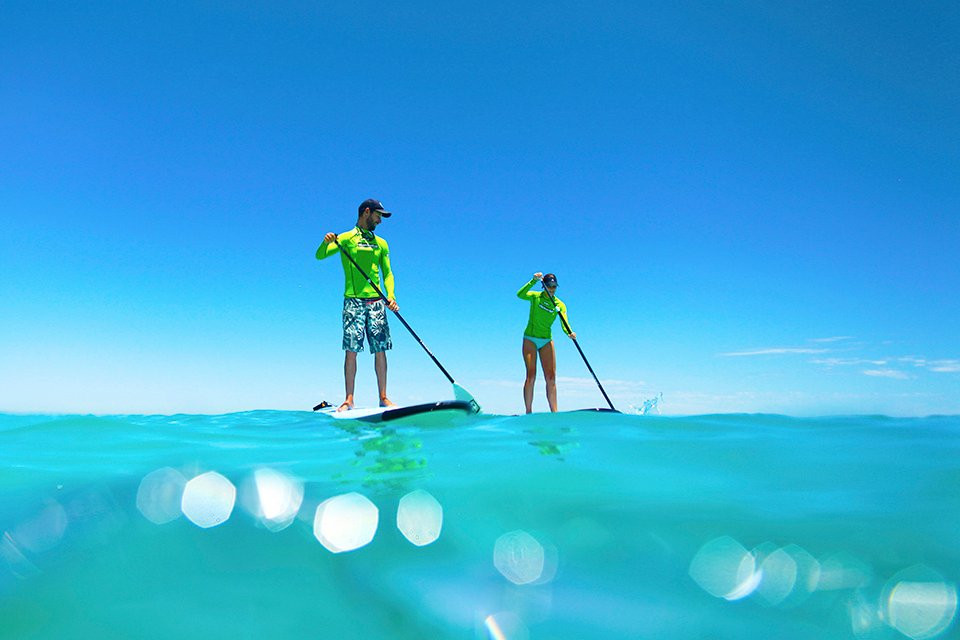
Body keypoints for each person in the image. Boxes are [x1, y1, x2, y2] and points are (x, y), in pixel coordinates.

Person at [316, 198, 399, 411]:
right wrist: (326, 242)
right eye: (378, 215)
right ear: (366, 212)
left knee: (381, 350)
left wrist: (391, 296)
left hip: (377, 302)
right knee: (351, 350)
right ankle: (349, 400)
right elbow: (320, 256)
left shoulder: (381, 243)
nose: (380, 220)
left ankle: (383, 397)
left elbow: (387, 272)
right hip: (353, 301)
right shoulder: (345, 238)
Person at [517, 272, 576, 413]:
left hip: (546, 340)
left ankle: (554, 412)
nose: (552, 289)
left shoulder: (559, 304)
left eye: (554, 286)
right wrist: (533, 281)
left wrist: (569, 332)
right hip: (530, 338)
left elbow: (564, 322)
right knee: (531, 375)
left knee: (551, 377)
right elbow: (520, 295)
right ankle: (528, 412)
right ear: (544, 285)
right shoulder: (535, 297)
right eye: (549, 286)